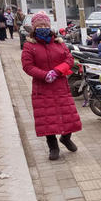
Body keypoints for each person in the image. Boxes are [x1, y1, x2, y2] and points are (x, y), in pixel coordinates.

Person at [21, 12, 81, 160]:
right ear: (34, 28)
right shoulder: (29, 45)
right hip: (42, 88)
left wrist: (57, 71)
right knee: (47, 119)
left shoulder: (59, 42)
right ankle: (53, 147)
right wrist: (44, 75)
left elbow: (69, 59)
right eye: (40, 25)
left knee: (69, 116)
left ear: (49, 26)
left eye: (45, 25)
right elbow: (27, 66)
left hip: (60, 85)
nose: (43, 28)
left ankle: (66, 138)